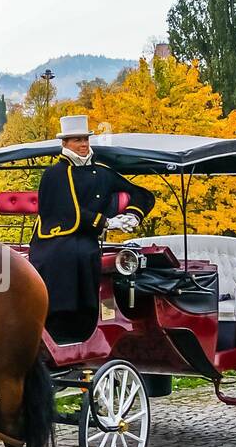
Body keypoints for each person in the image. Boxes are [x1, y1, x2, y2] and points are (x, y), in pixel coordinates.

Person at [29, 115, 155, 342]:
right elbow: (65, 212)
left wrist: (133, 215)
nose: (83, 144)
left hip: (86, 238)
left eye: (85, 139)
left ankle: (85, 323)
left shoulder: (103, 173)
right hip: (55, 238)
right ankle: (57, 320)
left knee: (84, 252)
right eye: (77, 140)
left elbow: (142, 193)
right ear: (65, 144)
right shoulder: (55, 174)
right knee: (68, 255)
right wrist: (107, 222)